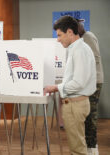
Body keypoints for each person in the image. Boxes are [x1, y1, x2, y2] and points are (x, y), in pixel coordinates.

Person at [44, 16, 96, 155]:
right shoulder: (76, 49)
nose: (58, 39)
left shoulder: (80, 50)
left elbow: (79, 82)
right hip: (74, 104)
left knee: (77, 149)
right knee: (77, 145)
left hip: (75, 105)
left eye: (60, 35)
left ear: (70, 32)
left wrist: (55, 87)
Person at [77, 19, 104, 155]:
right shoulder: (83, 39)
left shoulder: (88, 37)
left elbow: (95, 59)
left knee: (91, 116)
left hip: (94, 82)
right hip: (90, 81)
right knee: (88, 116)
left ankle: (93, 149)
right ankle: (90, 148)